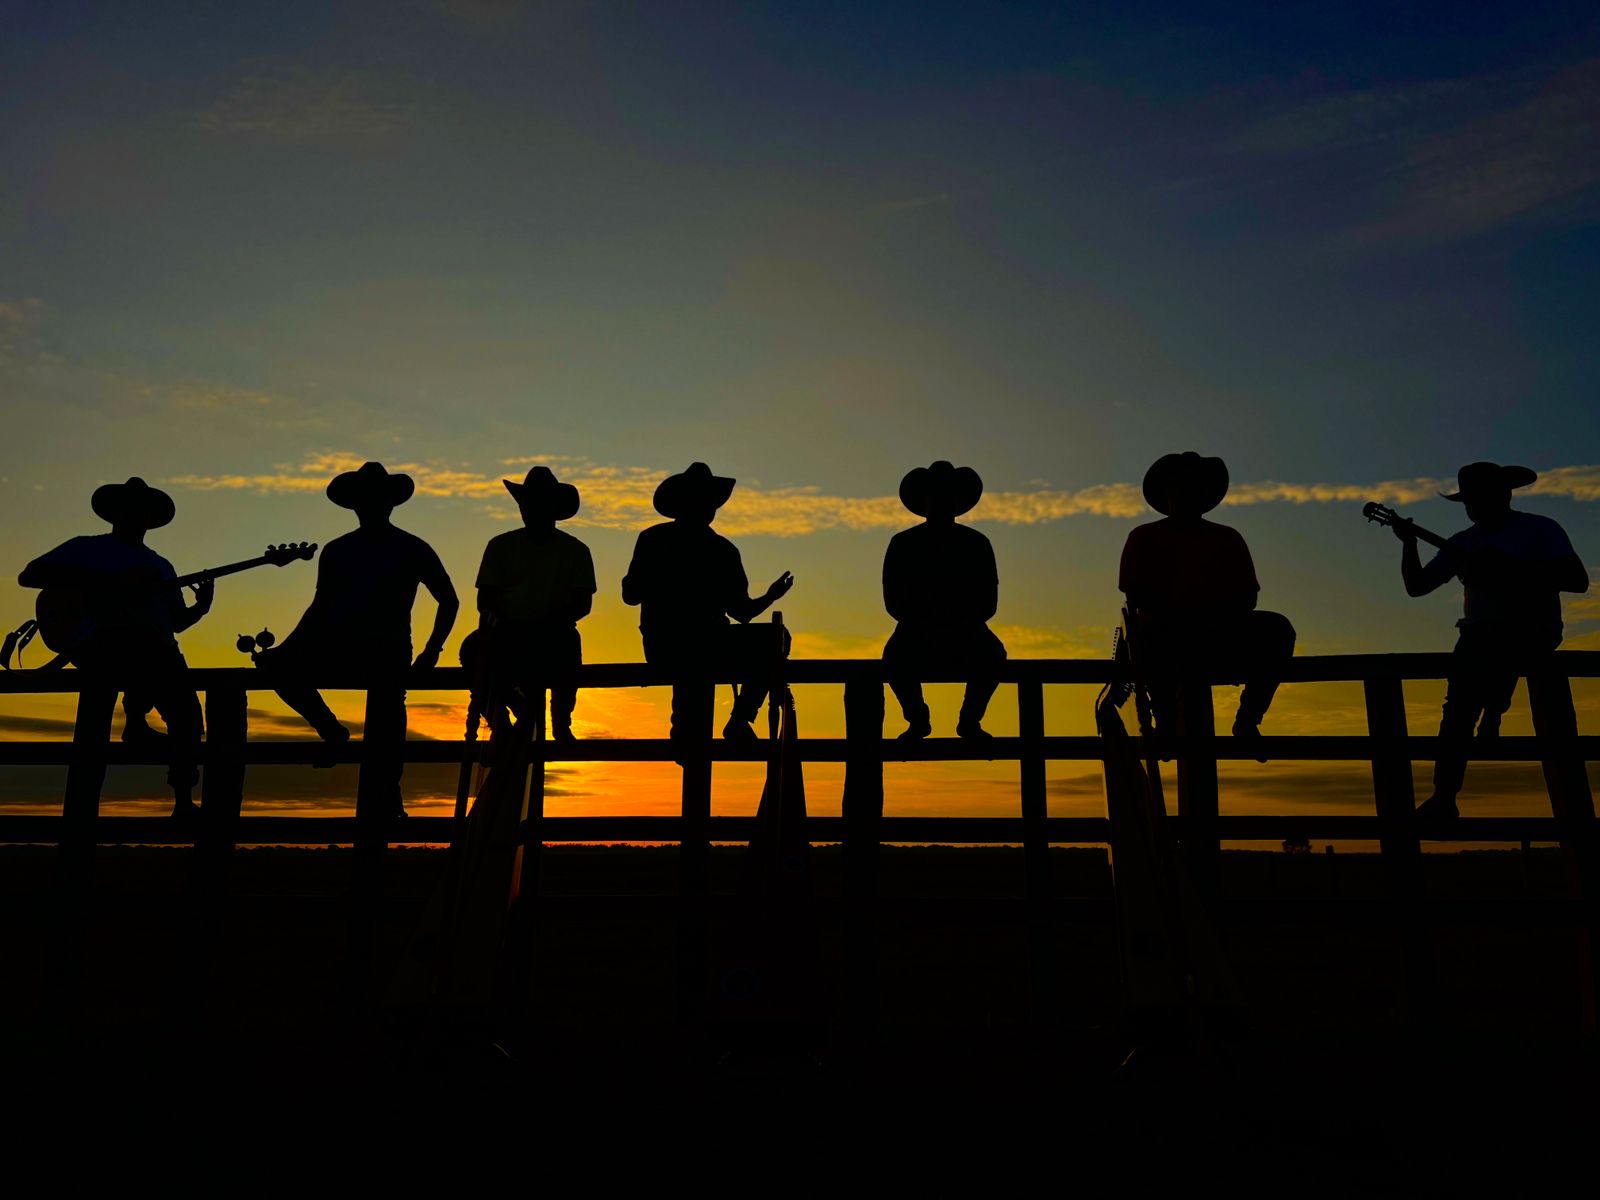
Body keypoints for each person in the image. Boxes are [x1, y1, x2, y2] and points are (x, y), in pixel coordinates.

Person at [1391, 462, 1589, 821]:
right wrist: (1408, 544)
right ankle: (1445, 795)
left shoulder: (1539, 529)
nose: (1474, 506)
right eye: (1470, 500)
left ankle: (1494, 708)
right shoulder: (1462, 543)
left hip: (1533, 630)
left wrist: (1514, 569)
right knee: (1456, 713)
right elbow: (1417, 586)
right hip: (1478, 635)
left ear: (1505, 494)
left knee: (1477, 678)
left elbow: (1577, 580)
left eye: (1481, 497)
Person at [259, 461, 458, 817]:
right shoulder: (340, 550)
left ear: (388, 503)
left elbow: (449, 599)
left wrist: (431, 651)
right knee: (278, 668)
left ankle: (388, 791)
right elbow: (320, 609)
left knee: (389, 707)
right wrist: (287, 651)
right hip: (344, 647)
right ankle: (332, 731)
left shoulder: (409, 548)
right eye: (365, 499)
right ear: (357, 504)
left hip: (388, 648)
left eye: (375, 499)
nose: (370, 505)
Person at [18, 477, 211, 818]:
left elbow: (175, 622)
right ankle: (134, 726)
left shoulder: (160, 566)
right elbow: (31, 575)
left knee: (189, 721)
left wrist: (201, 608)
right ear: (115, 514)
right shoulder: (87, 548)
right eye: (129, 509)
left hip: (158, 651)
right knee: (101, 728)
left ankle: (183, 801)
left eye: (142, 510)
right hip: (103, 647)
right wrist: (111, 582)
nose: (135, 515)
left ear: (150, 518)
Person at [1119, 452, 1296, 757]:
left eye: (1194, 488)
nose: (1187, 494)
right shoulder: (1144, 537)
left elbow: (1247, 597)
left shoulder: (1227, 538)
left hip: (1220, 632)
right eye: (1181, 487)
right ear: (1169, 493)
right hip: (1166, 634)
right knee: (1153, 631)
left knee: (1279, 629)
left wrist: (1208, 615)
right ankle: (1166, 723)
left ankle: (1247, 721)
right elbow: (1136, 597)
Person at [621, 462, 793, 742]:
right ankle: (734, 721)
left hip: (681, 643)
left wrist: (770, 596)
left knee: (776, 639)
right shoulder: (716, 549)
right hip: (677, 643)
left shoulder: (660, 540)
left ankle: (736, 720)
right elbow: (742, 613)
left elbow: (741, 612)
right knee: (771, 641)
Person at [882, 461, 1007, 740]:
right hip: (918, 629)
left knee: (993, 655)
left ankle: (969, 720)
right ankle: (918, 719)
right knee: (894, 658)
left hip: (964, 629)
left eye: (947, 495)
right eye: (935, 495)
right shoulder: (903, 543)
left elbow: (988, 601)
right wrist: (928, 621)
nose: (941, 501)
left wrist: (954, 622)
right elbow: (893, 600)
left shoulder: (976, 543)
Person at [473, 466, 595, 742]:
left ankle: (560, 723)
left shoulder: (575, 550)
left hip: (555, 633)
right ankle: (502, 721)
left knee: (567, 649)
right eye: (527, 503)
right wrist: (502, 622)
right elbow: (486, 598)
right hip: (509, 632)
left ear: (553, 507)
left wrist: (550, 622)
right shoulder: (500, 546)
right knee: (472, 651)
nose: (530, 509)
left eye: (538, 502)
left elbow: (582, 604)